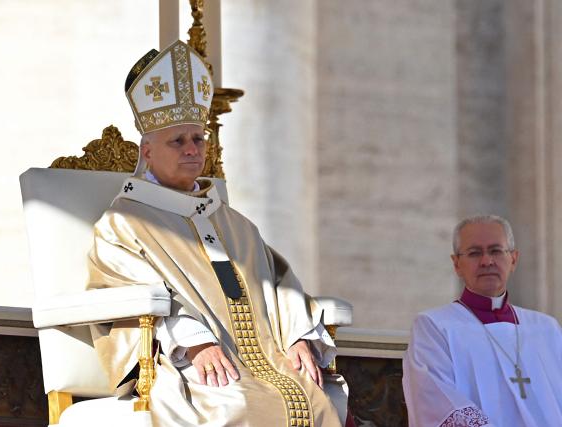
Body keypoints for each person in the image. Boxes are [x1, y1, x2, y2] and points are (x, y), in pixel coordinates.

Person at [78, 40, 350, 427]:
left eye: (198, 138)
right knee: (233, 406)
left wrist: (297, 336)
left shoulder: (234, 223)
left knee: (313, 398)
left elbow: (279, 283)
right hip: (190, 362)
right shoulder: (125, 223)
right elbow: (128, 296)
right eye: (178, 141)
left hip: (265, 362)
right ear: (148, 152)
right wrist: (196, 342)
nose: (192, 149)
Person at [402, 214, 562, 427]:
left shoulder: (546, 328)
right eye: (475, 253)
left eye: (496, 250)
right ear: (457, 264)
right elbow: (435, 400)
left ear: (513, 259)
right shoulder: (434, 326)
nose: (487, 261)